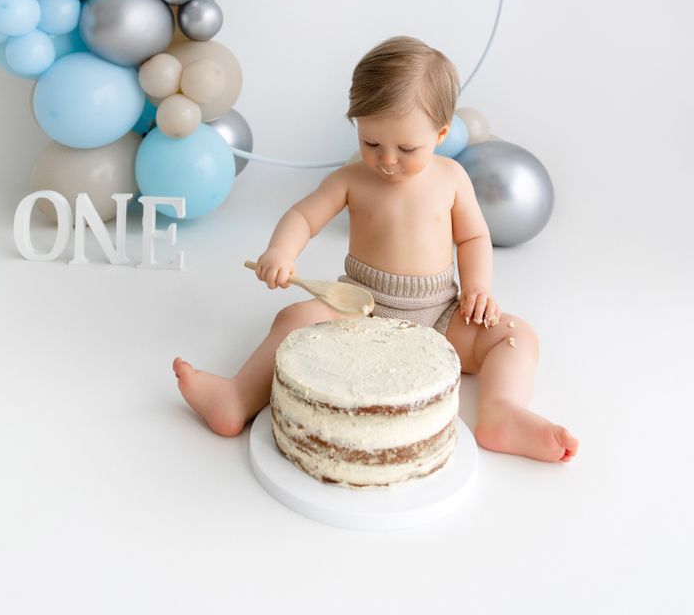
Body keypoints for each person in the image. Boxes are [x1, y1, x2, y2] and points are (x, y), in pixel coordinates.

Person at [174, 36, 579, 463]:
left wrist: (478, 287)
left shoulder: (452, 178)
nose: (387, 160)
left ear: (441, 133)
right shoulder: (352, 180)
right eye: (372, 143)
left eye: (406, 148)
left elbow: (474, 237)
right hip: (358, 307)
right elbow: (303, 216)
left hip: (440, 313)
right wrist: (281, 251)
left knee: (516, 336)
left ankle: (502, 412)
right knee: (294, 318)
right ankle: (237, 398)